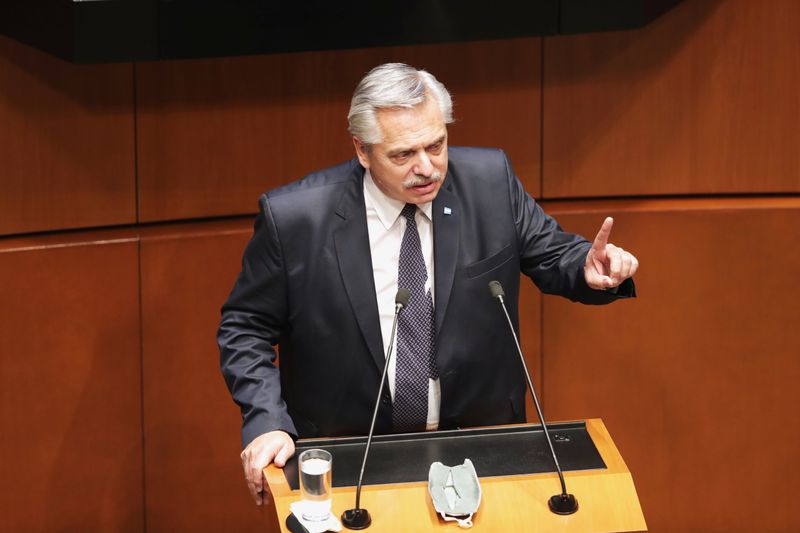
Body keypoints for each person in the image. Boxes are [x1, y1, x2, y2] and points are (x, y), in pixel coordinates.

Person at [218, 63, 639, 505]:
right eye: (403, 155)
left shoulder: (489, 181)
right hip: (350, 455)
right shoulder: (295, 220)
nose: (427, 168)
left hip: (482, 446)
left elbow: (552, 252)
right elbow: (245, 326)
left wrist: (588, 269)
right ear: (362, 150)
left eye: (437, 145)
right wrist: (267, 419)